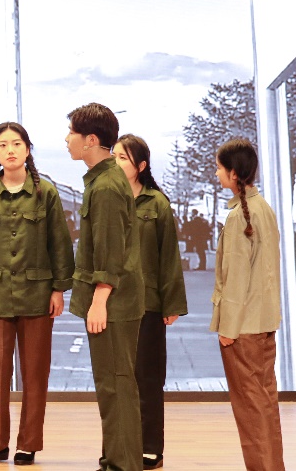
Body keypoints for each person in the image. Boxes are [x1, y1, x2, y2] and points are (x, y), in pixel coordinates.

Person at [0, 122, 74, 466]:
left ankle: (28, 443)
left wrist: (58, 289)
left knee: (35, 373)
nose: (9, 150)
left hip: (37, 295)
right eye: (2, 145)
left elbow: (59, 243)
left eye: (16, 144)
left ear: (27, 149)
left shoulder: (46, 193)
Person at [64, 103, 143, 471]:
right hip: (115, 301)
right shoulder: (103, 180)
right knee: (113, 383)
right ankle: (115, 459)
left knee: (115, 384)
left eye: (72, 133)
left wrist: (99, 300)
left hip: (113, 304)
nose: (67, 139)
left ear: (91, 140)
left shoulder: (107, 186)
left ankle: (122, 464)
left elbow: (110, 249)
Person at [114, 134, 188, 470]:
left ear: (141, 166)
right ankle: (120, 447)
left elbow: (168, 257)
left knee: (148, 377)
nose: (116, 163)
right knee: (118, 380)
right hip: (115, 305)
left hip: (147, 305)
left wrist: (171, 304)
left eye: (123, 158)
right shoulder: (107, 200)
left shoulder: (157, 204)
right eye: (114, 157)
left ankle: (150, 448)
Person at [211, 138, 285, 470]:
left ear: (234, 173)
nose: (216, 173)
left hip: (243, 330)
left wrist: (227, 329)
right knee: (265, 404)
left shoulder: (238, 217)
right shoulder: (263, 209)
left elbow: (236, 278)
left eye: (219, 168)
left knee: (250, 410)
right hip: (264, 323)